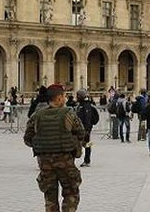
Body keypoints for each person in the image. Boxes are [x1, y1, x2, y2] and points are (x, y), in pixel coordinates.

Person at [23, 84, 85, 212]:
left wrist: (42, 145)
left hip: (45, 163)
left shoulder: (37, 116)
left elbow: (28, 139)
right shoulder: (69, 114)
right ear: (59, 98)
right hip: (65, 161)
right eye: (64, 96)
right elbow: (81, 133)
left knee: (50, 198)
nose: (65, 99)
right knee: (71, 194)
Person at [75, 89, 99, 167]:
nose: (76, 97)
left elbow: (87, 118)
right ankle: (85, 159)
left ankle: (87, 160)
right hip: (80, 128)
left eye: (78, 95)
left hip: (85, 128)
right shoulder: (81, 104)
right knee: (85, 144)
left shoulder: (86, 105)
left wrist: (87, 129)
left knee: (87, 144)